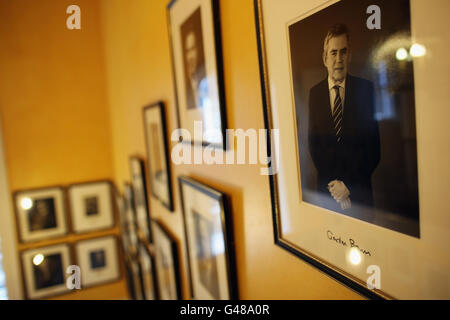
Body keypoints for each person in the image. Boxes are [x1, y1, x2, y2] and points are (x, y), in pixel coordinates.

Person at [308, 23, 380, 213]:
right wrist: (336, 189)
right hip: (326, 196)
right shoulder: (314, 94)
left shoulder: (365, 90)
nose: (338, 59)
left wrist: (348, 187)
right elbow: (314, 146)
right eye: (333, 53)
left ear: (349, 56)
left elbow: (374, 149)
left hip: (360, 197)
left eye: (343, 52)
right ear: (325, 58)